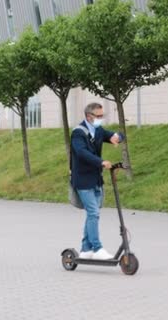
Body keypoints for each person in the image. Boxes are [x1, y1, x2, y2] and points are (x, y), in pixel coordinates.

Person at [71, 102, 123, 260]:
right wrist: (100, 162)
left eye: (102, 116)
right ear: (89, 116)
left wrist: (117, 137)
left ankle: (86, 249)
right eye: (99, 116)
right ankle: (97, 248)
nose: (101, 119)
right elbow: (81, 153)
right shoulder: (78, 133)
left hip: (96, 179)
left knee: (92, 214)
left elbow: (114, 135)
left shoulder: (98, 130)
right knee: (93, 213)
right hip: (83, 179)